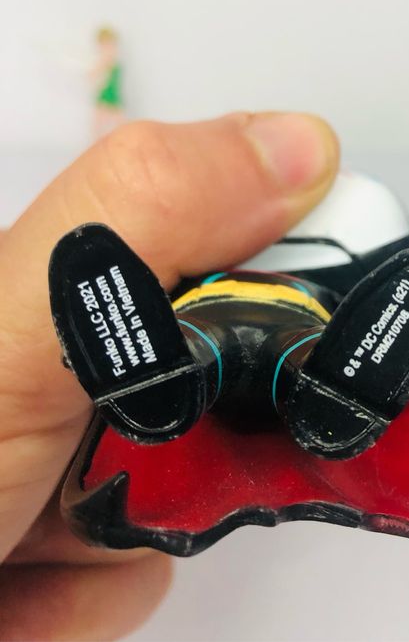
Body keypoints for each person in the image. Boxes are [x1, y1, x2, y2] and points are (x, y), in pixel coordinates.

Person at [0, 111, 339, 640]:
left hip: (255, 331)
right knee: (223, 351)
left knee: (230, 352)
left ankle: (306, 384)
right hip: (231, 327)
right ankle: (306, 384)